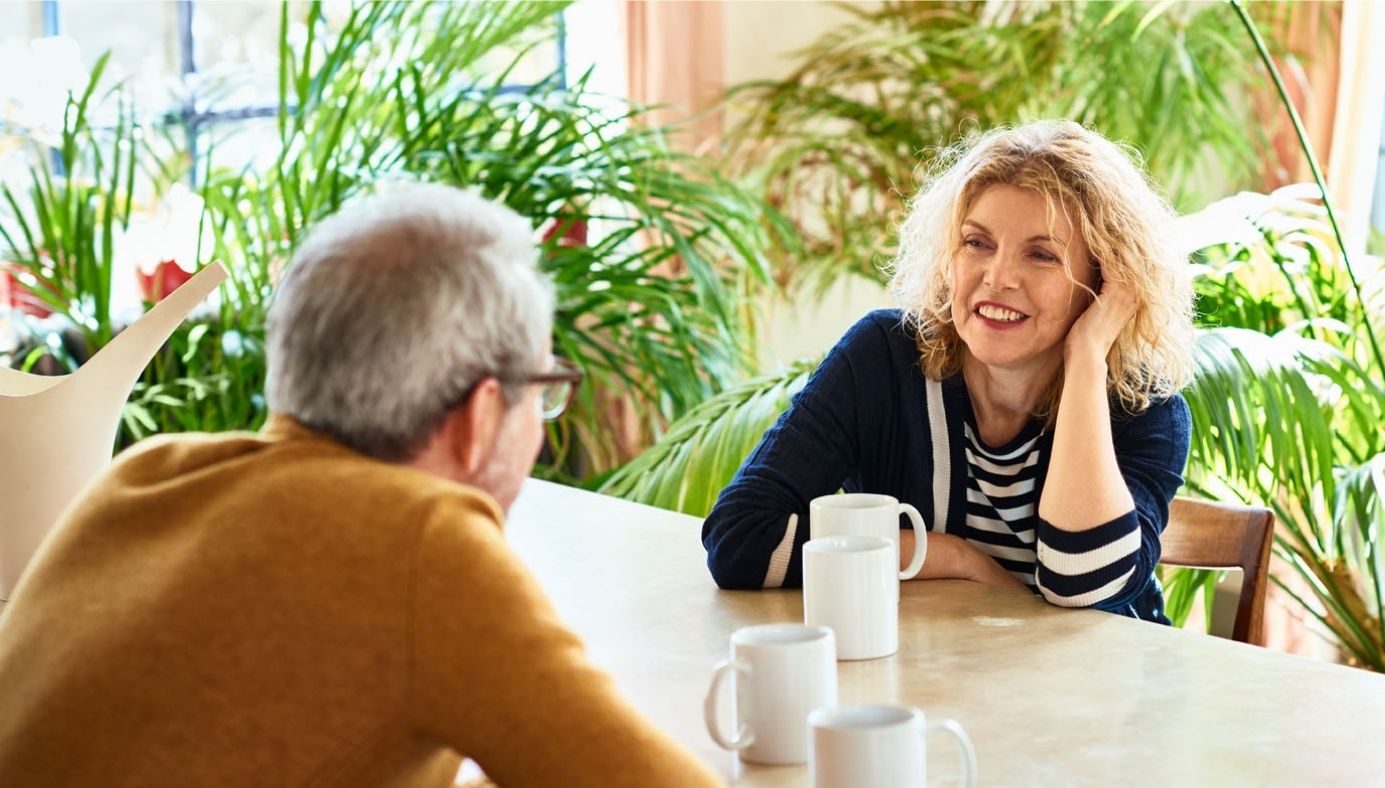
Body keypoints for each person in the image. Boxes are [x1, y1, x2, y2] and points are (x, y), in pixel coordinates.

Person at [0, 184, 722, 787]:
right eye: (543, 387)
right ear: (478, 416)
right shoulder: (422, 544)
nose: (543, 417)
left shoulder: (144, 475)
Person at [703, 120, 1195, 623]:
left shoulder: (1144, 409)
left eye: (1042, 255)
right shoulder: (883, 359)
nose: (998, 277)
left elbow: (1083, 583)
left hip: (1098, 692)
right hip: (930, 681)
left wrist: (1088, 354)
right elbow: (740, 539)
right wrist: (951, 557)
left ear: (1105, 280)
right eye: (977, 243)